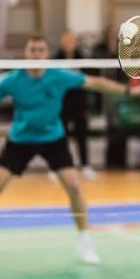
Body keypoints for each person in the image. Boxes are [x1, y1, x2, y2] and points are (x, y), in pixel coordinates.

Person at [0, 35, 131, 265]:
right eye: (32, 50)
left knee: (74, 187)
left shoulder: (59, 76)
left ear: (47, 54)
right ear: (26, 53)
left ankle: (85, 242)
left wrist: (127, 91)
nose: (36, 54)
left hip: (53, 138)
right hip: (20, 140)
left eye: (41, 50)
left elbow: (94, 82)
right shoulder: (11, 80)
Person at [55, 30, 96, 180]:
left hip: (79, 103)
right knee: (60, 136)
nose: (68, 44)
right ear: (61, 43)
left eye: (71, 41)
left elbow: (90, 80)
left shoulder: (82, 59)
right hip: (61, 103)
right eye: (66, 41)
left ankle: (85, 165)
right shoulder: (55, 60)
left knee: (82, 136)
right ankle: (60, 167)